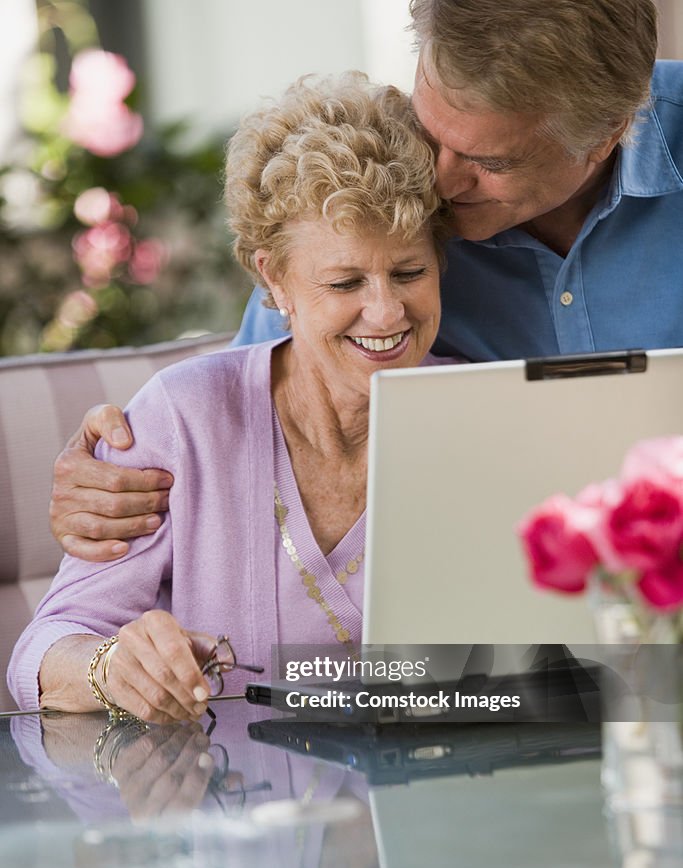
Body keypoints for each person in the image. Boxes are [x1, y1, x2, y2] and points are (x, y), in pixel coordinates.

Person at [49, 0, 680, 564]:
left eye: (491, 164)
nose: (438, 181)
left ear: (607, 135)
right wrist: (121, 473)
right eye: (432, 133)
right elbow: (254, 407)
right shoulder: (392, 199)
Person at [8, 72, 454, 719]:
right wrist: (112, 669)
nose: (385, 313)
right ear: (273, 280)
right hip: (241, 808)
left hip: (443, 801)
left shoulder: (480, 413)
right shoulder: (185, 417)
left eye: (409, 272)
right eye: (344, 282)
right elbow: (42, 655)